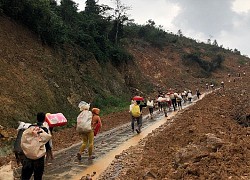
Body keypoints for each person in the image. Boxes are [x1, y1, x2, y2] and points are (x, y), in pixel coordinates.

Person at [21, 112, 51, 180]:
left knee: (25, 176)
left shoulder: (30, 127)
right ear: (44, 120)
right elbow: (46, 143)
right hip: (39, 157)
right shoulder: (44, 129)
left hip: (28, 156)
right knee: (38, 176)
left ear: (36, 119)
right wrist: (48, 152)